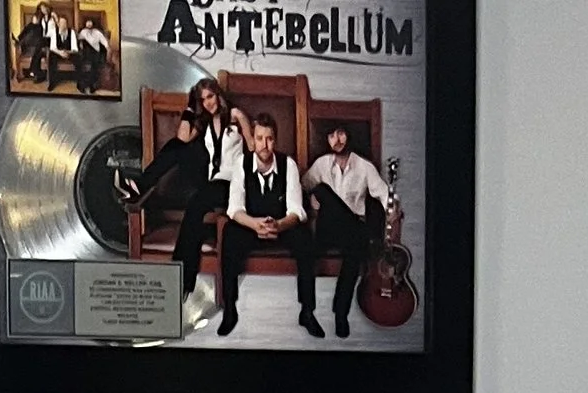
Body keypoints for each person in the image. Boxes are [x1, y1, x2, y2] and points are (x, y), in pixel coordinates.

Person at [119, 87, 236, 332]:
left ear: (219, 96)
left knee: (194, 205)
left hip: (229, 183)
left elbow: (252, 150)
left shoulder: (234, 117)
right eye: (202, 100)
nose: (208, 103)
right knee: (177, 146)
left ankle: (181, 283)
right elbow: (182, 138)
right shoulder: (202, 123)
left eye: (210, 97)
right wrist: (190, 109)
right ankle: (139, 186)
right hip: (208, 178)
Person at [221, 111, 321, 340]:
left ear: (275, 140)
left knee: (304, 238)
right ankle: (230, 309)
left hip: (280, 225)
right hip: (251, 224)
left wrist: (278, 225)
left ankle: (307, 311)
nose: (265, 145)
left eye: (269, 139)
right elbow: (234, 209)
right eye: (259, 138)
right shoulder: (241, 163)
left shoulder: (289, 165)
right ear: (253, 139)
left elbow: (296, 210)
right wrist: (255, 224)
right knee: (229, 233)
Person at [305, 120, 387, 342]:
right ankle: (313, 312)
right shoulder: (321, 164)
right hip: (327, 228)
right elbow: (301, 187)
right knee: (321, 188)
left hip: (351, 233)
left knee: (355, 247)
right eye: (331, 135)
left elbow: (383, 194)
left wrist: (394, 209)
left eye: (340, 134)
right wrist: (311, 198)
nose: (337, 140)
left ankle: (341, 313)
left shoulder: (364, 166)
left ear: (348, 136)